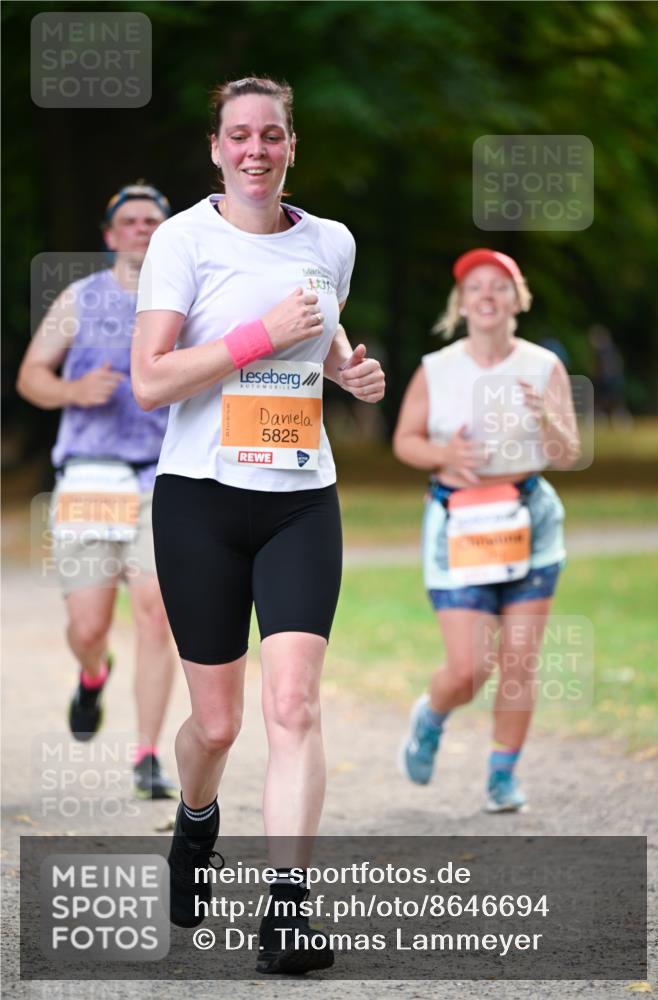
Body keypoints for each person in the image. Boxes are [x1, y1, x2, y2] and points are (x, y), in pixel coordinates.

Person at [131, 77, 385, 973]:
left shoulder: (331, 243)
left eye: (270, 135)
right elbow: (151, 379)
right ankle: (196, 824)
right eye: (238, 135)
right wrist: (257, 334)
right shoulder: (181, 240)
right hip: (201, 499)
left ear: (290, 146)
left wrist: (348, 371)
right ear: (214, 148)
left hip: (299, 497)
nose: (254, 151)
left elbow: (322, 336)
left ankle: (287, 913)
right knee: (216, 726)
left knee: (292, 705)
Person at [394, 248, 580, 813]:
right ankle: (433, 714)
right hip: (459, 520)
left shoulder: (543, 366)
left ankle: (503, 773)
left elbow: (568, 453)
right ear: (462, 302)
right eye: (476, 287)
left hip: (529, 517)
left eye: (499, 285)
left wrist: (544, 416)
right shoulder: (437, 367)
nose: (487, 295)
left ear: (516, 299)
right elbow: (405, 441)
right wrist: (444, 451)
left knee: (520, 660)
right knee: (472, 666)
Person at [16, 182, 178, 800]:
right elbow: (32, 376)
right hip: (87, 475)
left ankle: (148, 755)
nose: (141, 228)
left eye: (152, 222)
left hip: (159, 478)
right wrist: (72, 392)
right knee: (88, 628)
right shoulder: (80, 299)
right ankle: (94, 674)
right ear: (110, 236)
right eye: (130, 221)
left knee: (156, 613)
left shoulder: (184, 305)